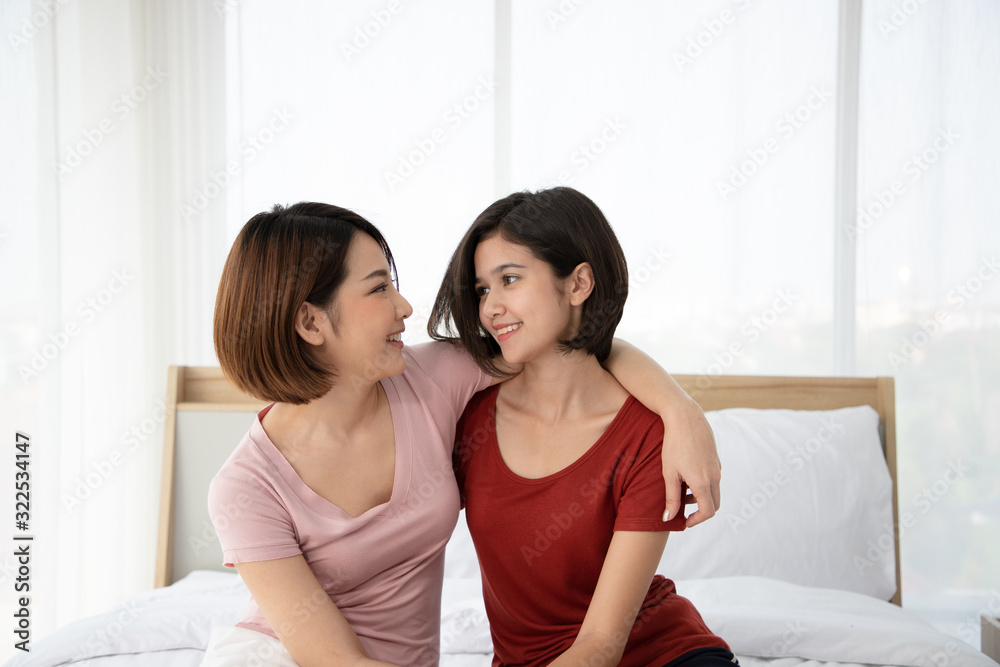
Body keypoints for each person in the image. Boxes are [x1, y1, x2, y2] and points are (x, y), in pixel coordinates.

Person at [203, 201, 721, 666]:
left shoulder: (431, 382)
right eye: (379, 287)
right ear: (311, 324)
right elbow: (334, 661)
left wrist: (680, 410)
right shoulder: (246, 488)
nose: (405, 307)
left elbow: (570, 344)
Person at [434, 187, 734, 666]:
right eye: (482, 289)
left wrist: (679, 410)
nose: (489, 308)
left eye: (510, 279)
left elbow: (601, 644)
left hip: (662, 654)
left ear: (578, 284)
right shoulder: (466, 414)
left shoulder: (646, 435)